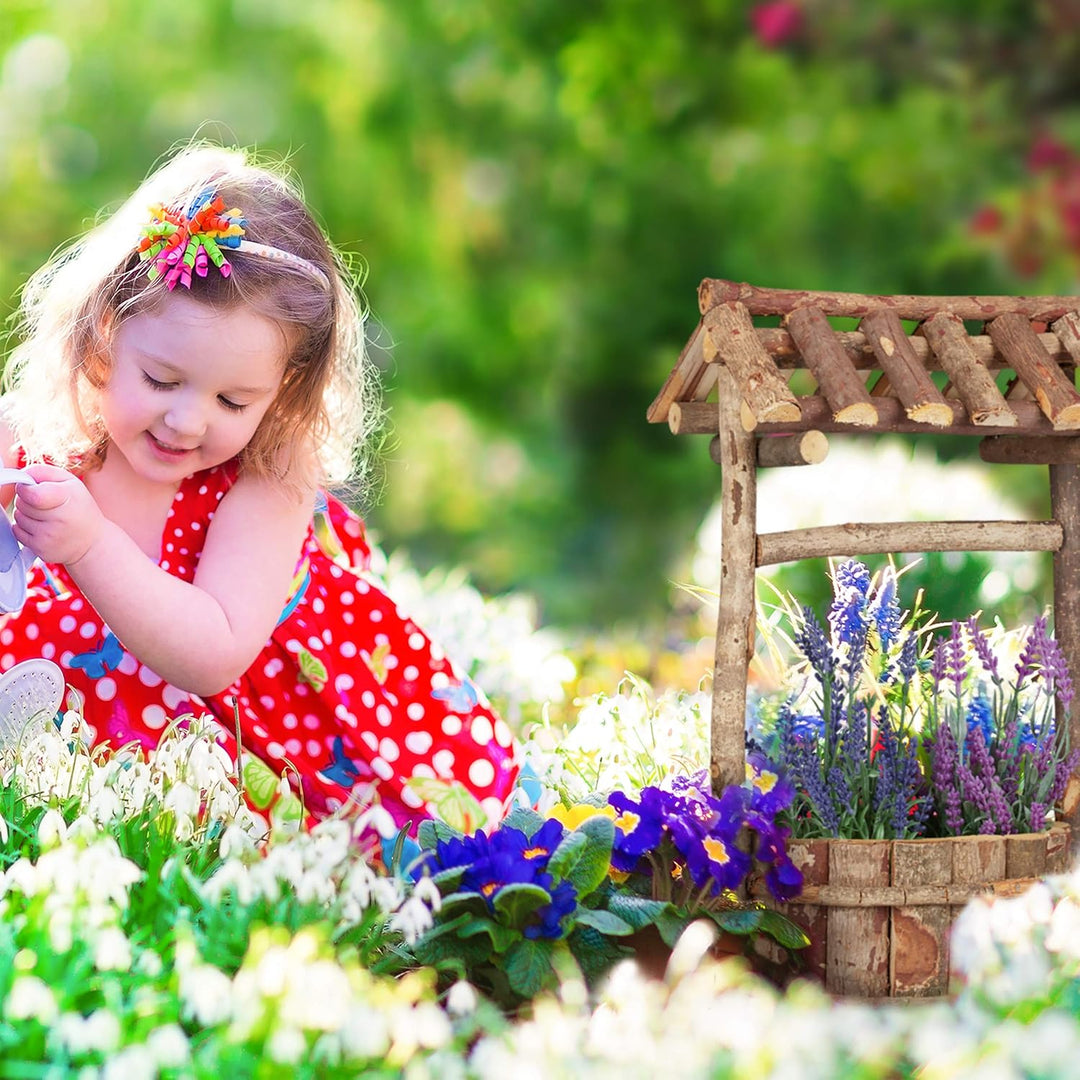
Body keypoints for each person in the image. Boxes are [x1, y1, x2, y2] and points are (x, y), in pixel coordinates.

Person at [0, 143, 518, 830]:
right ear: (103, 336)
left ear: (285, 391)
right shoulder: (40, 433)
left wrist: (90, 544)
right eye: (161, 380)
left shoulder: (268, 478)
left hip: (270, 759)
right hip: (80, 764)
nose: (187, 420)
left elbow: (211, 653)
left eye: (233, 401)